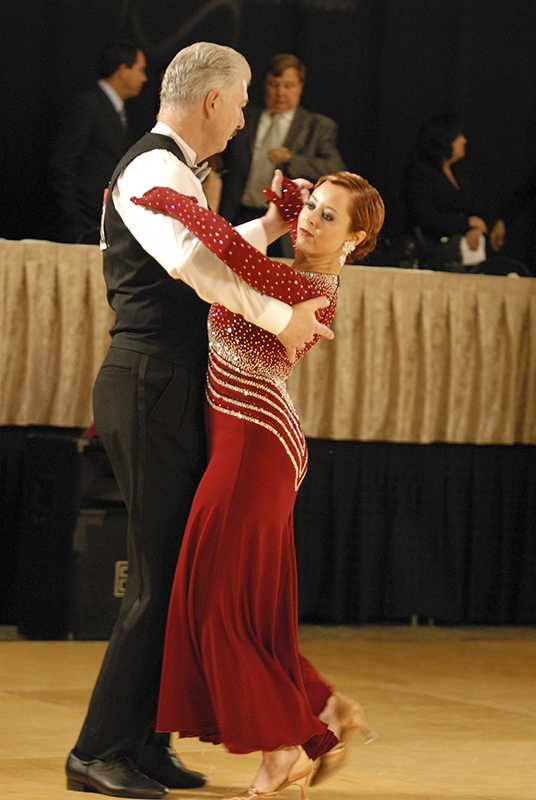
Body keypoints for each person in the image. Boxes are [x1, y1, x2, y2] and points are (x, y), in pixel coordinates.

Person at [65, 42, 335, 800]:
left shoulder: (175, 171)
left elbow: (204, 250)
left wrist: (274, 228)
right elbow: (192, 265)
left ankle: (146, 745)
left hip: (167, 382)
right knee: (156, 580)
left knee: (178, 578)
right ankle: (98, 751)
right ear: (214, 101)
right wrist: (280, 316)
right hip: (149, 380)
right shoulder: (154, 168)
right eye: (244, 99)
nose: (248, 114)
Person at [129, 169, 384, 799]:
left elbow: (236, 256)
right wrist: (274, 211)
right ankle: (322, 712)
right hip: (248, 443)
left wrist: (179, 205)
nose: (312, 220)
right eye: (313, 206)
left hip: (254, 447)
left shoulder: (305, 284)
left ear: (353, 241)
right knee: (235, 609)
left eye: (330, 217)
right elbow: (238, 261)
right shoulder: (292, 266)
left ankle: (283, 748)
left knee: (217, 608)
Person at [218, 53, 346, 256]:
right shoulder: (244, 117)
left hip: (285, 224)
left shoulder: (317, 126)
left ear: (300, 86)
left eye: (288, 86)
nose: (280, 93)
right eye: (273, 85)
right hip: (240, 213)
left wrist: (292, 159)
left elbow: (335, 168)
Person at [404, 113, 530, 275]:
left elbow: (475, 210)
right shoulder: (421, 172)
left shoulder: (458, 174)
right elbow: (423, 216)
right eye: (459, 136)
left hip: (465, 248)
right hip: (434, 250)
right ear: (445, 139)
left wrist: (475, 229)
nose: (464, 140)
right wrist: (467, 224)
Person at [49, 40, 147, 244]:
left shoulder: (117, 111)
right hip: (83, 226)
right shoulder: (87, 104)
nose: (144, 78)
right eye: (140, 70)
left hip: (104, 225)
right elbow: (63, 163)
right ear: (122, 70)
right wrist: (74, 222)